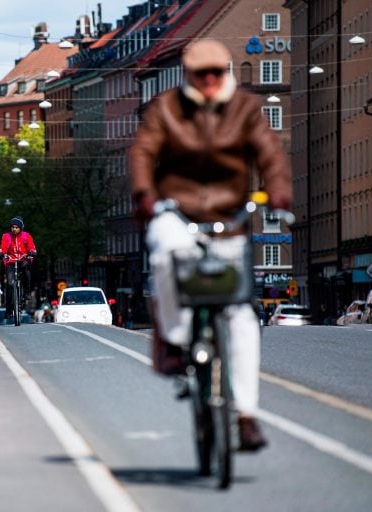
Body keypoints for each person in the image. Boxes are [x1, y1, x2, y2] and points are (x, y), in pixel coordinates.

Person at [127, 39, 292, 452]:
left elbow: (269, 153)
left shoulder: (246, 109)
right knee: (164, 256)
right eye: (203, 74)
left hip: (230, 216)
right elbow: (144, 152)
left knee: (240, 316)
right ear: (189, 76)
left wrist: (278, 190)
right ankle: (176, 338)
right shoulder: (167, 108)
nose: (211, 81)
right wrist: (145, 193)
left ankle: (247, 416)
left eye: (218, 72)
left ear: (227, 71)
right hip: (176, 211)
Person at [0, 216, 37, 320]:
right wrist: (1, 253)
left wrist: (32, 252)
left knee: (27, 271)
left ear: (20, 228)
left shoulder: (26, 236)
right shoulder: (6, 236)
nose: (14, 229)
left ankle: (27, 293)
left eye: (16, 227)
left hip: (23, 260)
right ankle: (9, 309)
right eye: (12, 227)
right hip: (11, 261)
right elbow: (3, 247)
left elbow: (31, 246)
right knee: (9, 284)